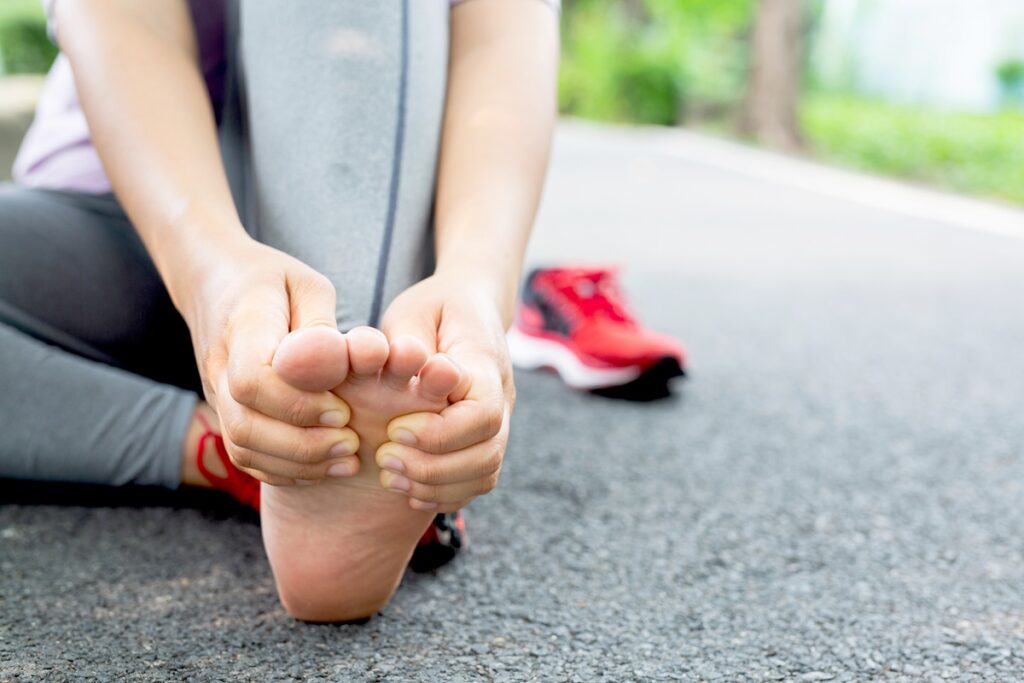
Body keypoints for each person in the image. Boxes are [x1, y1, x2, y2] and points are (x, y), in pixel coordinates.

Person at [0, 0, 558, 622]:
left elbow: (500, 33)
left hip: (345, 284)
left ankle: (331, 423)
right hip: (130, 219)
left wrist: (474, 283)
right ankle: (284, 449)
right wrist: (212, 271)